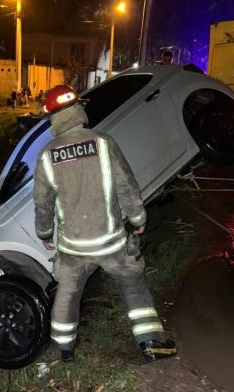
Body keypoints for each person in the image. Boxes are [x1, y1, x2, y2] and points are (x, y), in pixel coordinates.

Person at [33, 84, 177, 363]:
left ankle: (64, 349)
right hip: (110, 242)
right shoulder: (102, 142)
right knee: (132, 283)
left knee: (68, 291)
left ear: (52, 117)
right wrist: (138, 218)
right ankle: (151, 343)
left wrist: (45, 233)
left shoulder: (47, 155)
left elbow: (42, 202)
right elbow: (126, 185)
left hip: (73, 247)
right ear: (78, 109)